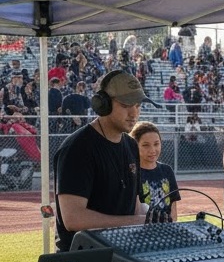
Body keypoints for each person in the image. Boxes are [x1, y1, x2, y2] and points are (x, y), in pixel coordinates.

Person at [54, 70, 155, 251]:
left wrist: (153, 221)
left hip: (122, 255)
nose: (134, 113)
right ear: (103, 104)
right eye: (126, 105)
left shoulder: (132, 145)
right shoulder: (78, 148)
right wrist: (136, 222)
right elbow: (73, 218)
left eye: (138, 105)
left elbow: (135, 205)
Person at [130, 121, 180, 222]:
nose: (152, 150)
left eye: (156, 144)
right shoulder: (132, 173)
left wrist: (172, 226)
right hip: (144, 230)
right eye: (145, 145)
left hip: (166, 229)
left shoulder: (167, 170)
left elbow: (173, 207)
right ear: (135, 146)